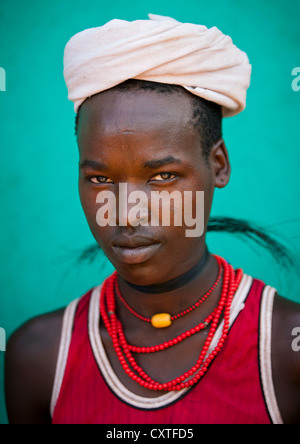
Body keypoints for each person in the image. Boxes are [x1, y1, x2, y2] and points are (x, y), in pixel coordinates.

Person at [5, 14, 300, 425]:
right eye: (100, 179)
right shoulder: (39, 357)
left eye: (162, 177)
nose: (126, 212)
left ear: (217, 165)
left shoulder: (285, 350)